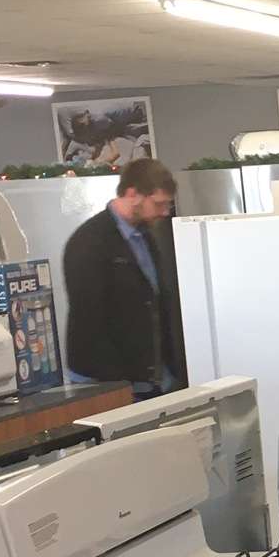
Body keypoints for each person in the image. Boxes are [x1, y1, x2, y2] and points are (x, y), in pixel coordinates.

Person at [61, 157, 183, 400]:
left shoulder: (146, 236)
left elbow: (156, 304)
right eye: (158, 204)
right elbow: (88, 320)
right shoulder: (89, 243)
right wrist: (118, 386)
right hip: (110, 384)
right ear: (133, 194)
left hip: (151, 380)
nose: (165, 212)